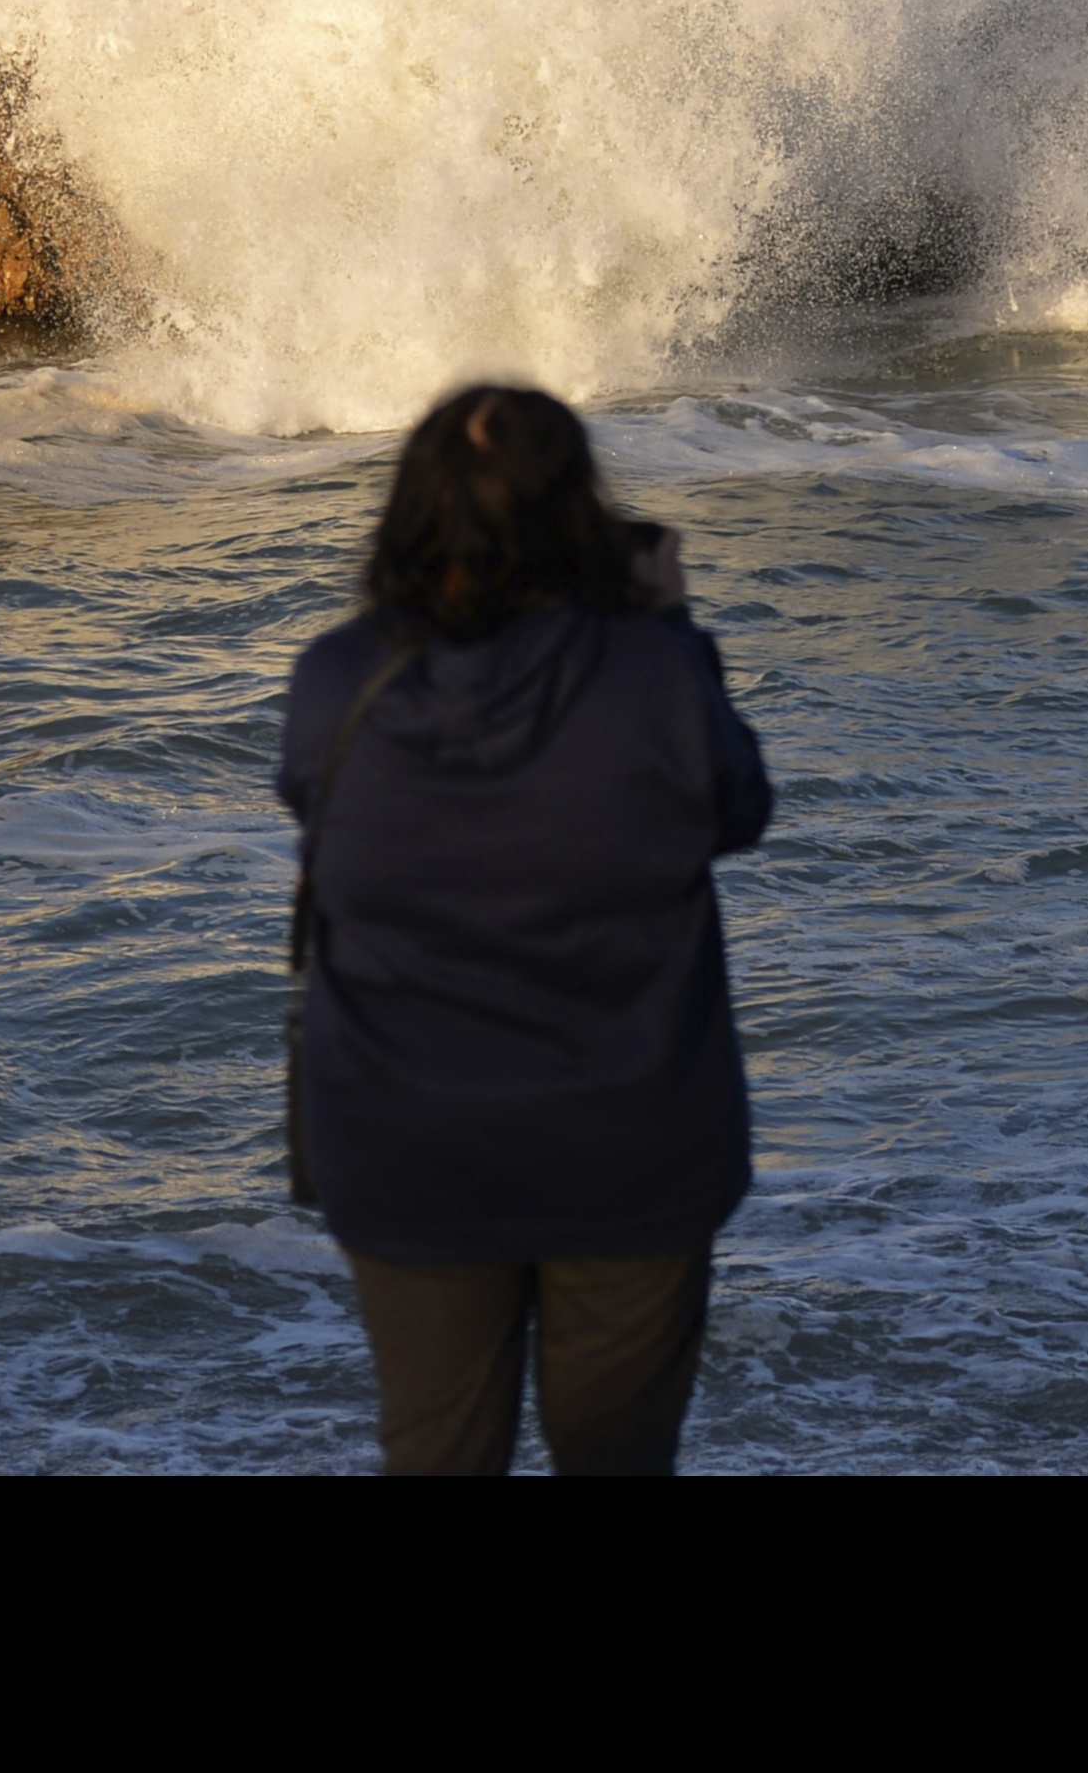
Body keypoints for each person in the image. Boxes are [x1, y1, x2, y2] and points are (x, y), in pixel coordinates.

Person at [277, 382, 772, 1475]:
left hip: (410, 1146)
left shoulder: (339, 683)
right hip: (630, 1145)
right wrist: (667, 620)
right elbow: (739, 807)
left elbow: (317, 797)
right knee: (617, 1456)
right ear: (578, 516)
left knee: (438, 1453)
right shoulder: (654, 676)